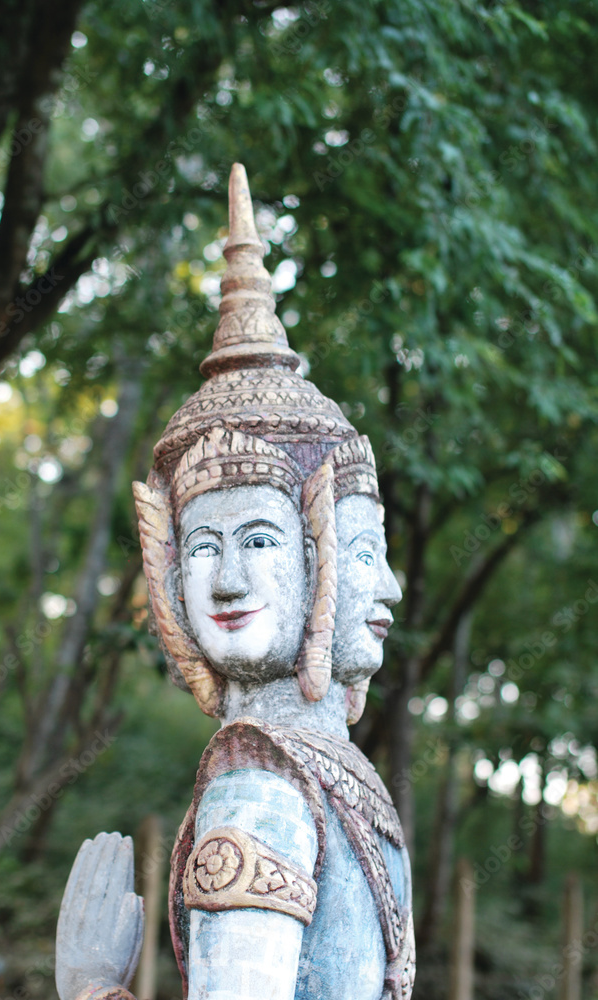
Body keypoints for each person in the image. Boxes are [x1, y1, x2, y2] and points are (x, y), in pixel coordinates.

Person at [55, 164, 415, 1000]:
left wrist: (90, 989)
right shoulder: (299, 783)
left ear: (316, 555)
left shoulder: (267, 787)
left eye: (259, 538)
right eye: (204, 548)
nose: (224, 583)